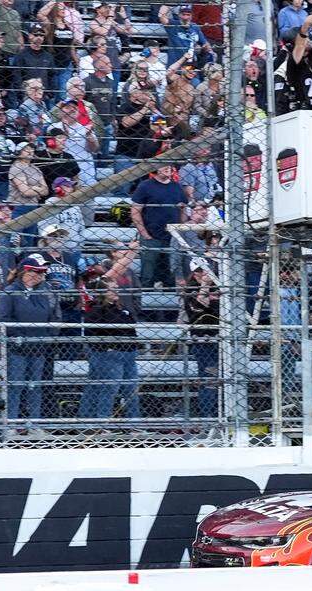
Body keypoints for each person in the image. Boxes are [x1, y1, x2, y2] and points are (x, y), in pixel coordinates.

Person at [0, 253, 61, 435]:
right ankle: (11, 423)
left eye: (41, 272)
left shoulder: (46, 291)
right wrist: (20, 337)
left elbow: (55, 317)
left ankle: (33, 423)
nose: (37, 275)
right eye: (33, 271)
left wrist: (46, 337)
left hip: (39, 347)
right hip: (17, 347)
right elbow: (3, 318)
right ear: (23, 271)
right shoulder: (10, 291)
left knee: (35, 387)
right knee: (15, 386)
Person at [78, 282, 140, 423]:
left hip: (128, 354)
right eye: (110, 289)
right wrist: (107, 348)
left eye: (116, 288)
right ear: (101, 292)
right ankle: (101, 422)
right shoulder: (96, 310)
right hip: (109, 356)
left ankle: (134, 423)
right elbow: (90, 334)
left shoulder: (122, 309)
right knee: (108, 390)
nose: (115, 291)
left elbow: (132, 331)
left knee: (131, 391)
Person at [131, 163, 186, 288]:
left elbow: (183, 208)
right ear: (155, 168)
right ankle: (145, 303)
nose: (168, 168)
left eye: (170, 166)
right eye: (163, 165)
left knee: (170, 274)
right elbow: (135, 211)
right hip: (152, 236)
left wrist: (180, 229)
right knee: (148, 275)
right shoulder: (145, 186)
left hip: (172, 237)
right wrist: (144, 233)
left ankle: (170, 304)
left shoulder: (177, 187)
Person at [183, 257, 219, 418]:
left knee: (220, 378)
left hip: (219, 336)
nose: (203, 273)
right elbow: (201, 305)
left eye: (205, 270)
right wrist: (205, 285)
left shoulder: (218, 286)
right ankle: (207, 415)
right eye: (199, 271)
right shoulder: (191, 289)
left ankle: (218, 411)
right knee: (208, 377)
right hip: (203, 339)